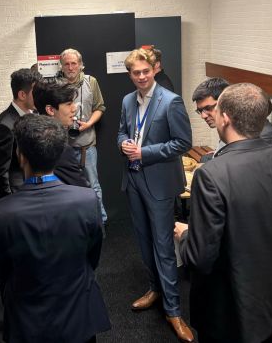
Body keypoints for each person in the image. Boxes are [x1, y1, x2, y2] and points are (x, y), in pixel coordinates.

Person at [175, 83, 272, 343]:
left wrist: (185, 236)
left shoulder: (211, 174)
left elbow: (200, 259)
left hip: (230, 310)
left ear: (225, 117)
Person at [0, 114, 110, 343]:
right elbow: (92, 256)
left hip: (27, 320)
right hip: (79, 315)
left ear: (20, 156)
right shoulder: (87, 200)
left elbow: (1, 267)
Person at [117, 48, 194, 342]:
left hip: (159, 183)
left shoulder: (170, 101)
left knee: (163, 246)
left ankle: (173, 310)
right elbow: (122, 132)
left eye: (145, 71)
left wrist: (144, 152)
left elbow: (183, 142)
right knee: (143, 240)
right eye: (135, 73)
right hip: (134, 179)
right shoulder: (127, 100)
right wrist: (123, 144)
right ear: (130, 74)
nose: (141, 77)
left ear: (155, 69)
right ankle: (154, 289)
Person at [59, 49, 108, 225]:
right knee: (67, 188)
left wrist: (88, 124)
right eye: (66, 64)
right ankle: (76, 224)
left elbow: (99, 107)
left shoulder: (91, 82)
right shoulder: (56, 85)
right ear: (61, 66)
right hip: (64, 148)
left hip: (87, 146)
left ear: (80, 65)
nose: (70, 67)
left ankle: (100, 221)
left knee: (93, 185)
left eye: (74, 63)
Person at [192, 77, 272, 161]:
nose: (203, 116)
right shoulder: (232, 122)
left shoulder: (263, 132)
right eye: (200, 111)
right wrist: (219, 151)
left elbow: (247, 163)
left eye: (208, 108)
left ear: (224, 101)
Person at [0, 68, 40, 201]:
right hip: (16, 194)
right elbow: (0, 174)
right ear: (22, 95)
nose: (40, 95)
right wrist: (9, 202)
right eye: (36, 92)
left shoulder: (33, 114)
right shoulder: (4, 126)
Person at [33, 79, 89, 188]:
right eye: (69, 104)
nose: (74, 108)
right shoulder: (59, 147)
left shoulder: (32, 135)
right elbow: (81, 186)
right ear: (50, 110)